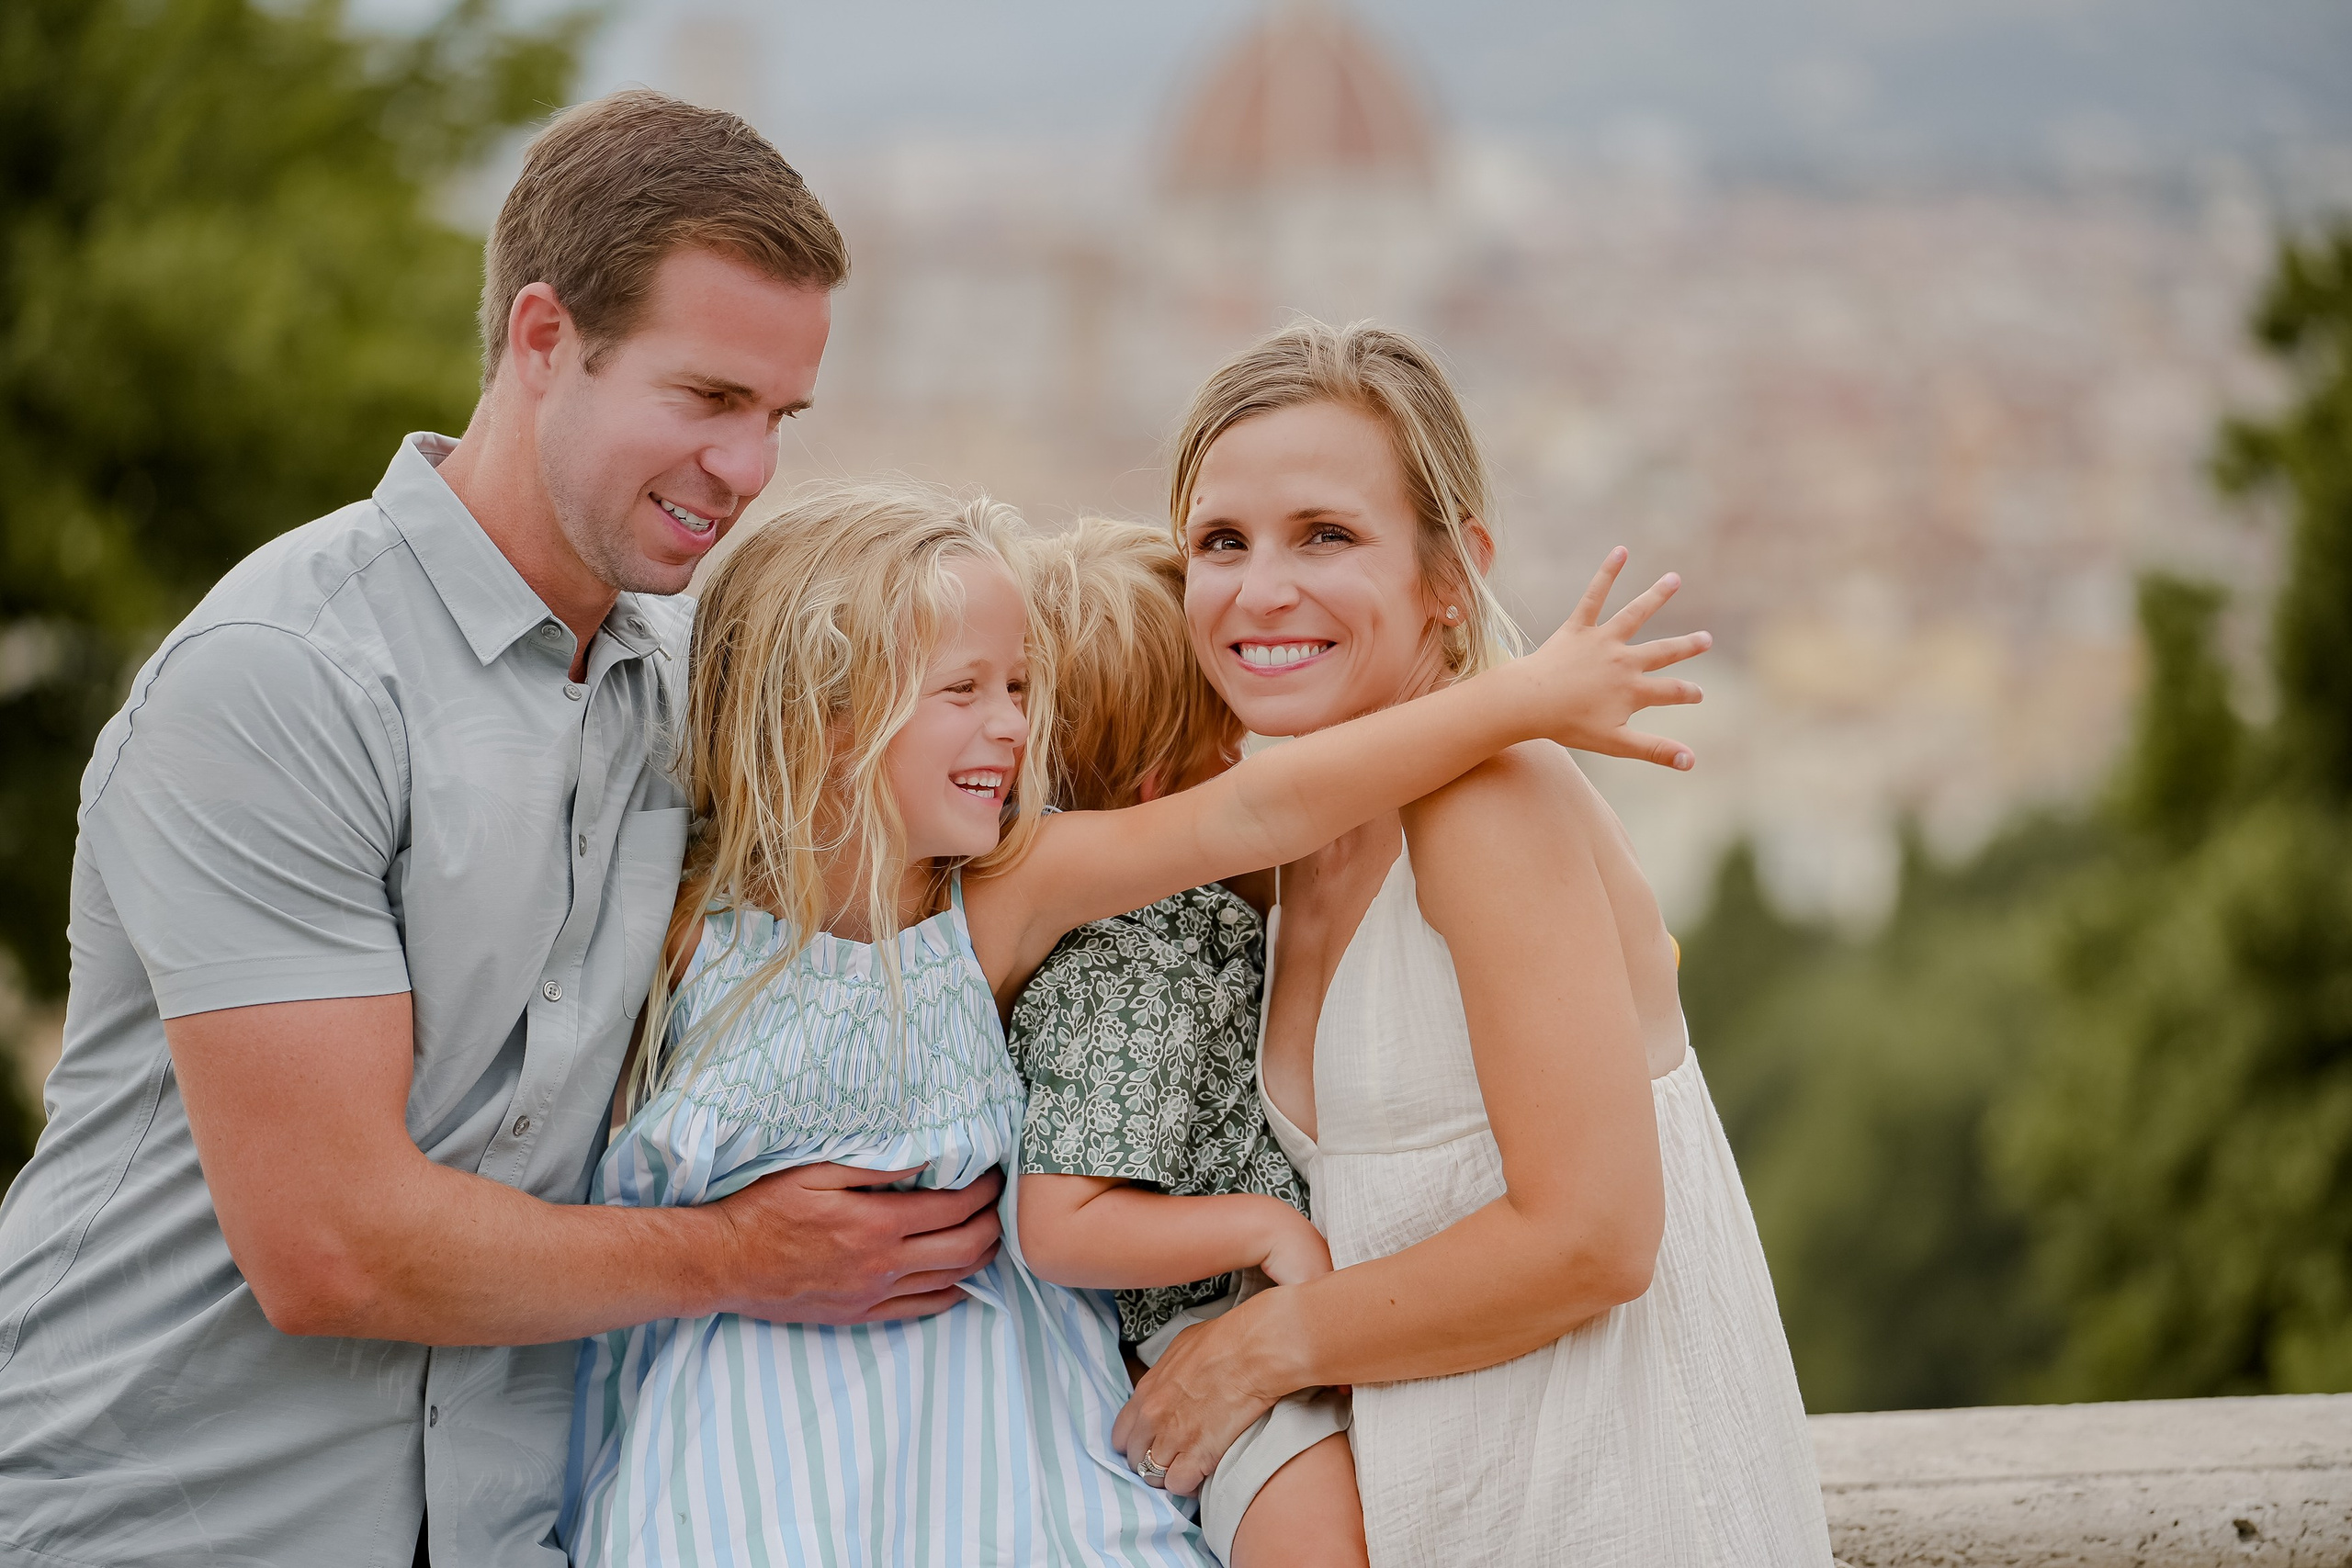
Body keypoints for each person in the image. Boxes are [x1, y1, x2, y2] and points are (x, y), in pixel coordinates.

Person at [0, 93, 1006, 1568]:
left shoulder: (694, 693)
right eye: (707, 397)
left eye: (779, 415)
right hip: (154, 1515)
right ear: (543, 339)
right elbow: (332, 1242)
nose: (749, 468)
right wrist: (743, 1256)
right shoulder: (283, 678)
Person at [558, 479, 1705, 1566]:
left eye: (1019, 689)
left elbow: (1260, 808)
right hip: (740, 1446)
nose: (1012, 730)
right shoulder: (675, 931)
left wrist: (1521, 698)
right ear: (826, 714)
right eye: (963, 691)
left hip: (998, 1434)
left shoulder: (999, 893)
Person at [1112, 319, 1837, 1566]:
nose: (1259, 586)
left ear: (1453, 573)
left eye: (1325, 534)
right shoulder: (1300, 844)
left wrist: (1261, 1345)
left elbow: (1595, 1233)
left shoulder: (1490, 803)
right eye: (1221, 541)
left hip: (1622, 1513)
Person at [1003, 518, 1363, 1568]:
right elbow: (1057, 1220)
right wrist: (1262, 1232)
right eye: (1229, 744)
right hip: (1202, 1328)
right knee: (1314, 1522)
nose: (1248, 763)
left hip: (1246, 1312)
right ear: (1165, 782)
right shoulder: (1128, 966)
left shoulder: (1183, 915)